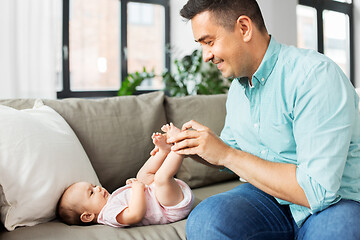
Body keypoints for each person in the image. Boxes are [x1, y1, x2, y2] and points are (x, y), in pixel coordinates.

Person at [165, 0, 360, 239]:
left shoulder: (315, 76)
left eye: (209, 42)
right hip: (271, 199)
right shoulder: (239, 88)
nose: (206, 55)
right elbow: (231, 151)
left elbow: (316, 191)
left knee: (339, 232)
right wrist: (194, 146)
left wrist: (226, 153)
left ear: (244, 28)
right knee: (207, 220)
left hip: (335, 203)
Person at [57, 123, 194, 227]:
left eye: (93, 186)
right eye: (91, 193)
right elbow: (135, 215)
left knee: (142, 175)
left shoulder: (110, 202)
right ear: (87, 216)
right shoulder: (109, 214)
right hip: (169, 208)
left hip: (160, 196)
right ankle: (180, 147)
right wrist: (137, 188)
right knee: (160, 178)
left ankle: (163, 151)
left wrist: (136, 185)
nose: (98, 188)